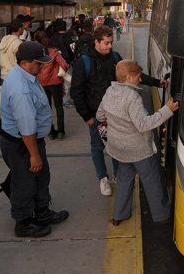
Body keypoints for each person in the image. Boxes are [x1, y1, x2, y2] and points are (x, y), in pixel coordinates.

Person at [70, 26, 167, 196]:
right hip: (96, 115)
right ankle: (103, 178)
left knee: (115, 145)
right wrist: (87, 116)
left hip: (115, 114)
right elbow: (76, 91)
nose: (109, 46)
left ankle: (118, 175)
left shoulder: (115, 58)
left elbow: (133, 74)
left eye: (111, 43)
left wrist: (157, 83)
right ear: (96, 42)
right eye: (106, 43)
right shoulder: (84, 61)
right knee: (97, 146)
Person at [0, 41, 69, 237]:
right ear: (25, 63)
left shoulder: (27, 75)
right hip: (23, 144)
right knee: (25, 183)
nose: (43, 66)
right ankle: (23, 222)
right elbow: (26, 126)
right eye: (39, 63)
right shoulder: (21, 88)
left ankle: (42, 212)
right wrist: (34, 155)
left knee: (41, 177)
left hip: (30, 141)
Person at [97, 61, 178, 225]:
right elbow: (143, 124)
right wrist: (167, 110)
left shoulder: (109, 91)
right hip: (139, 150)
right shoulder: (132, 97)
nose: (140, 80)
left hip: (119, 149)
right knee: (152, 181)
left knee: (124, 181)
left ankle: (120, 214)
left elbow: (100, 116)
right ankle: (161, 215)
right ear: (128, 77)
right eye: (138, 76)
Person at [34, 30, 68, 139]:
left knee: (46, 108)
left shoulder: (36, 54)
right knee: (59, 107)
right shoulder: (54, 52)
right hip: (55, 83)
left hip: (42, 84)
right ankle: (61, 131)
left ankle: (51, 131)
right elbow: (64, 65)